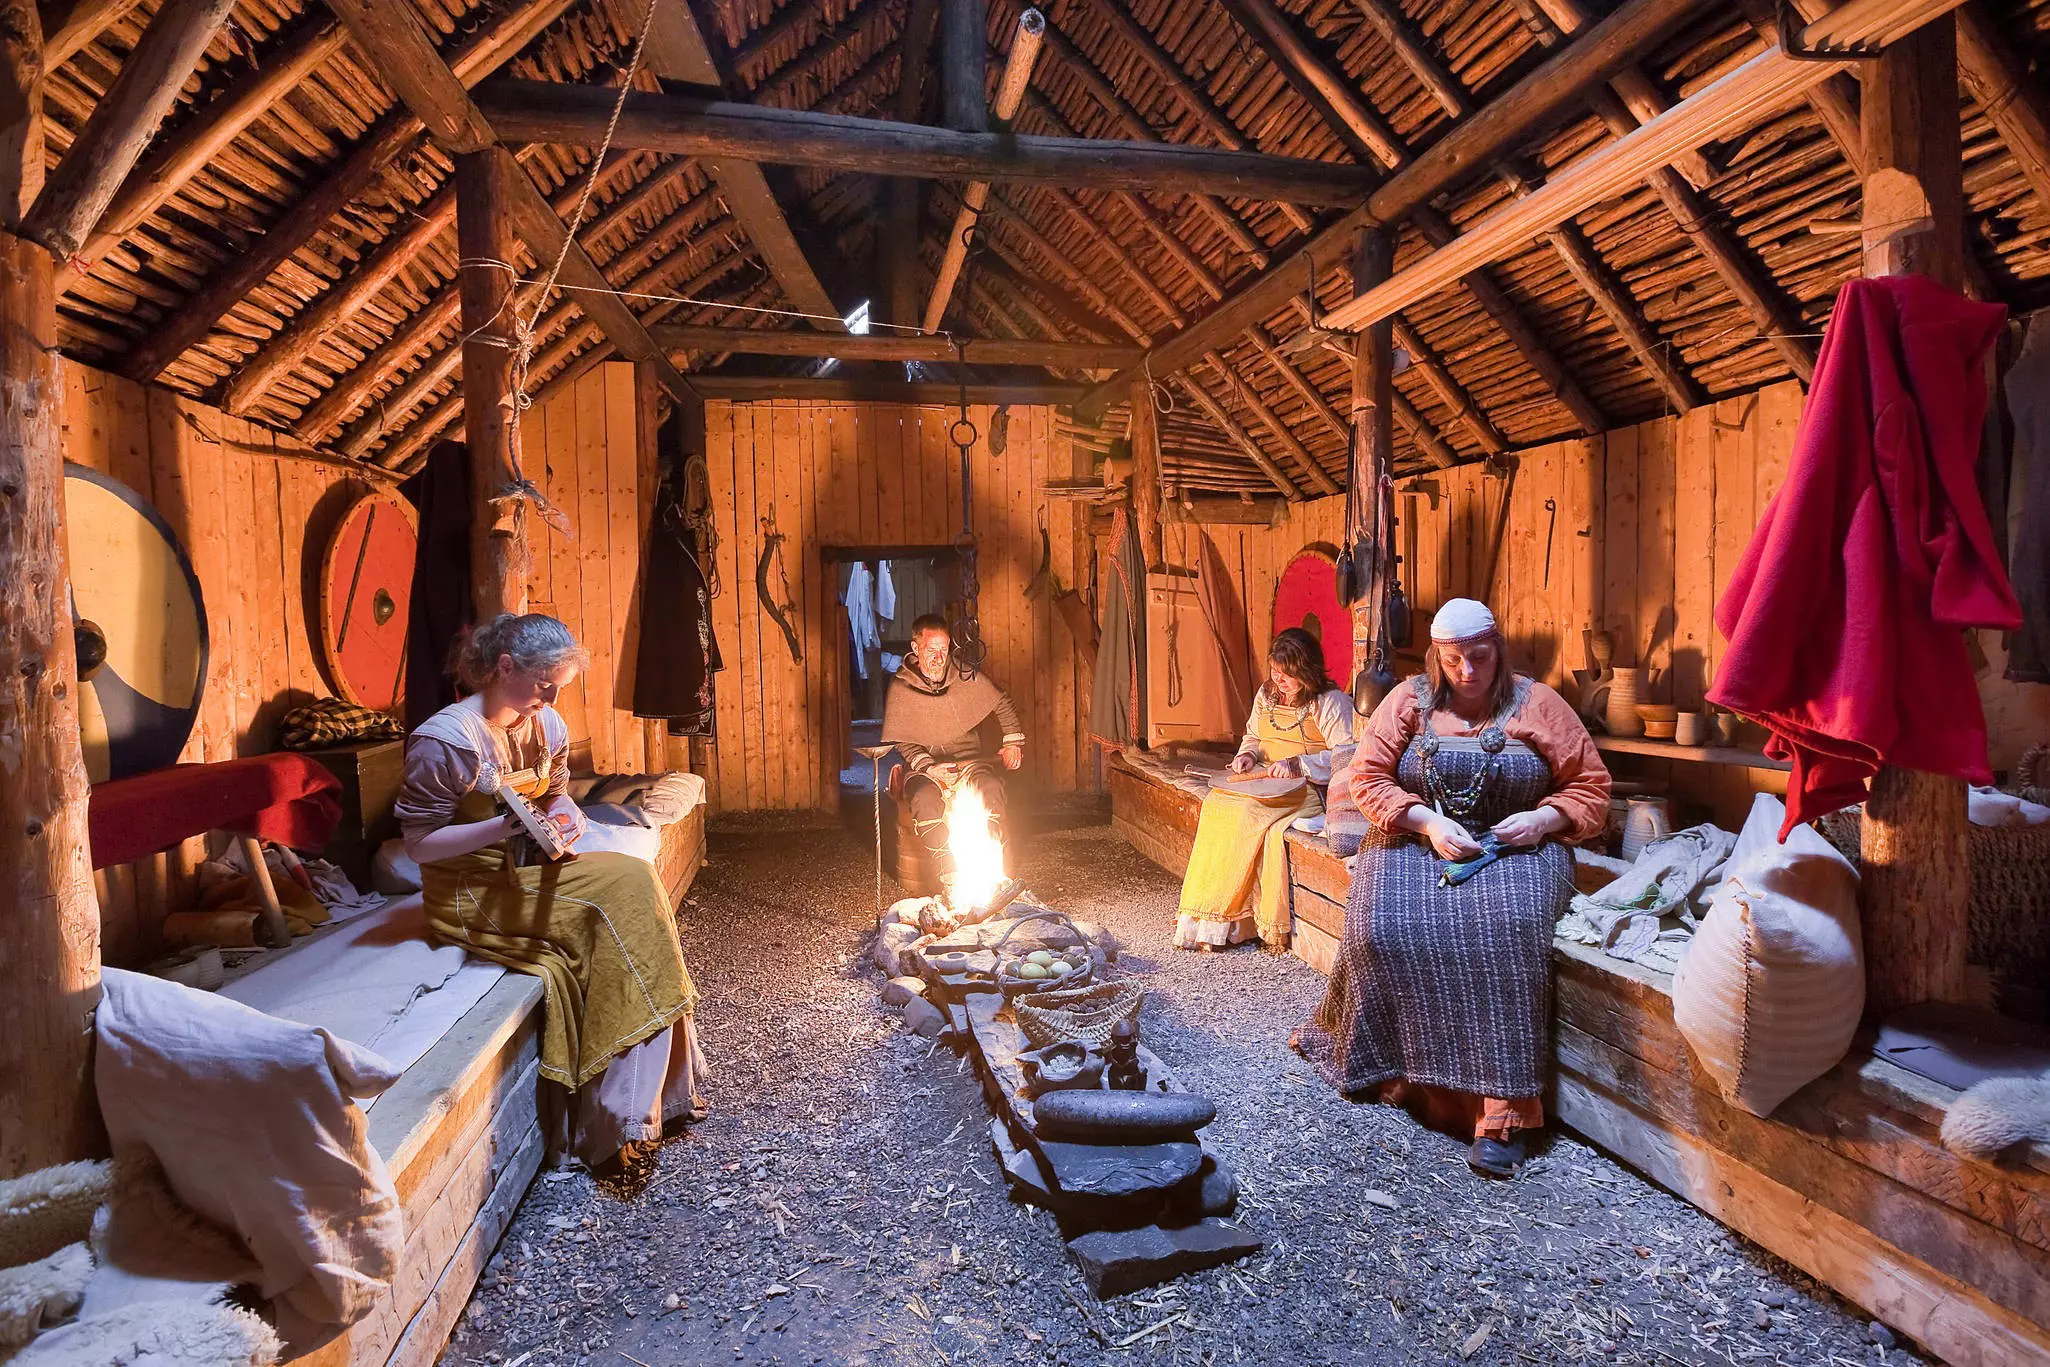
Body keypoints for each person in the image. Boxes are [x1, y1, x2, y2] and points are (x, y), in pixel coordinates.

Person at [1292, 599, 1609, 1178]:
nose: (1467, 671)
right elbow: (1366, 776)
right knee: (1381, 929)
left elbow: (1590, 787)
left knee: (1503, 935)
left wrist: (1543, 820)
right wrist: (1427, 821)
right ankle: (1392, 1069)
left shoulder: (1538, 703)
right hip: (1419, 835)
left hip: (1517, 843)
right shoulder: (1408, 700)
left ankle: (1501, 1112)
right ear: (1439, 657)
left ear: (1499, 649)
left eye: (1479, 658)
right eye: (1455, 659)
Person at [395, 612, 707, 1171]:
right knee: (616, 903)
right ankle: (619, 1118)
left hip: (533, 865)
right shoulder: (447, 743)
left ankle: (654, 1100)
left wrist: (561, 817)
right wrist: (502, 828)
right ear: (504, 667)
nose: (551, 696)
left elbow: (559, 795)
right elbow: (419, 845)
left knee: (634, 880)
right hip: (472, 889)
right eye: (544, 685)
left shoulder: (546, 726)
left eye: (559, 686)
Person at [1175, 627, 1354, 951]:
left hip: (1306, 788)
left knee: (1246, 812)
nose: (1279, 680)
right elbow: (1254, 736)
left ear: (1306, 670)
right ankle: (1207, 917)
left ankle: (1233, 920)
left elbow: (1346, 754)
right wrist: (1247, 754)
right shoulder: (1266, 695)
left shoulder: (1330, 702)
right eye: (1275, 671)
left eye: (1287, 674)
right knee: (1217, 804)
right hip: (1265, 779)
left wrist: (1299, 763)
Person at [881, 614, 1025, 895]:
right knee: (924, 799)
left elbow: (1001, 702)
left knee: (991, 788)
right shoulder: (901, 687)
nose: (938, 658)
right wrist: (928, 768)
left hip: (969, 764)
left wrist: (1012, 742)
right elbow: (901, 739)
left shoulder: (965, 675)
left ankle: (990, 864)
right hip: (926, 769)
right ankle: (949, 870)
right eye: (930, 650)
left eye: (943, 650)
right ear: (915, 647)